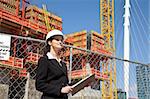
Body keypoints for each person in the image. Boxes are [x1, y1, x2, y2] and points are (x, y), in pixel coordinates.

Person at [35, 29, 72, 99]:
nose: (60, 42)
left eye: (61, 40)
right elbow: (39, 84)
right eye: (57, 40)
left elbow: (63, 83)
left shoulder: (63, 64)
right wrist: (60, 90)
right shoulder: (45, 60)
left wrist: (80, 84)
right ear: (49, 42)